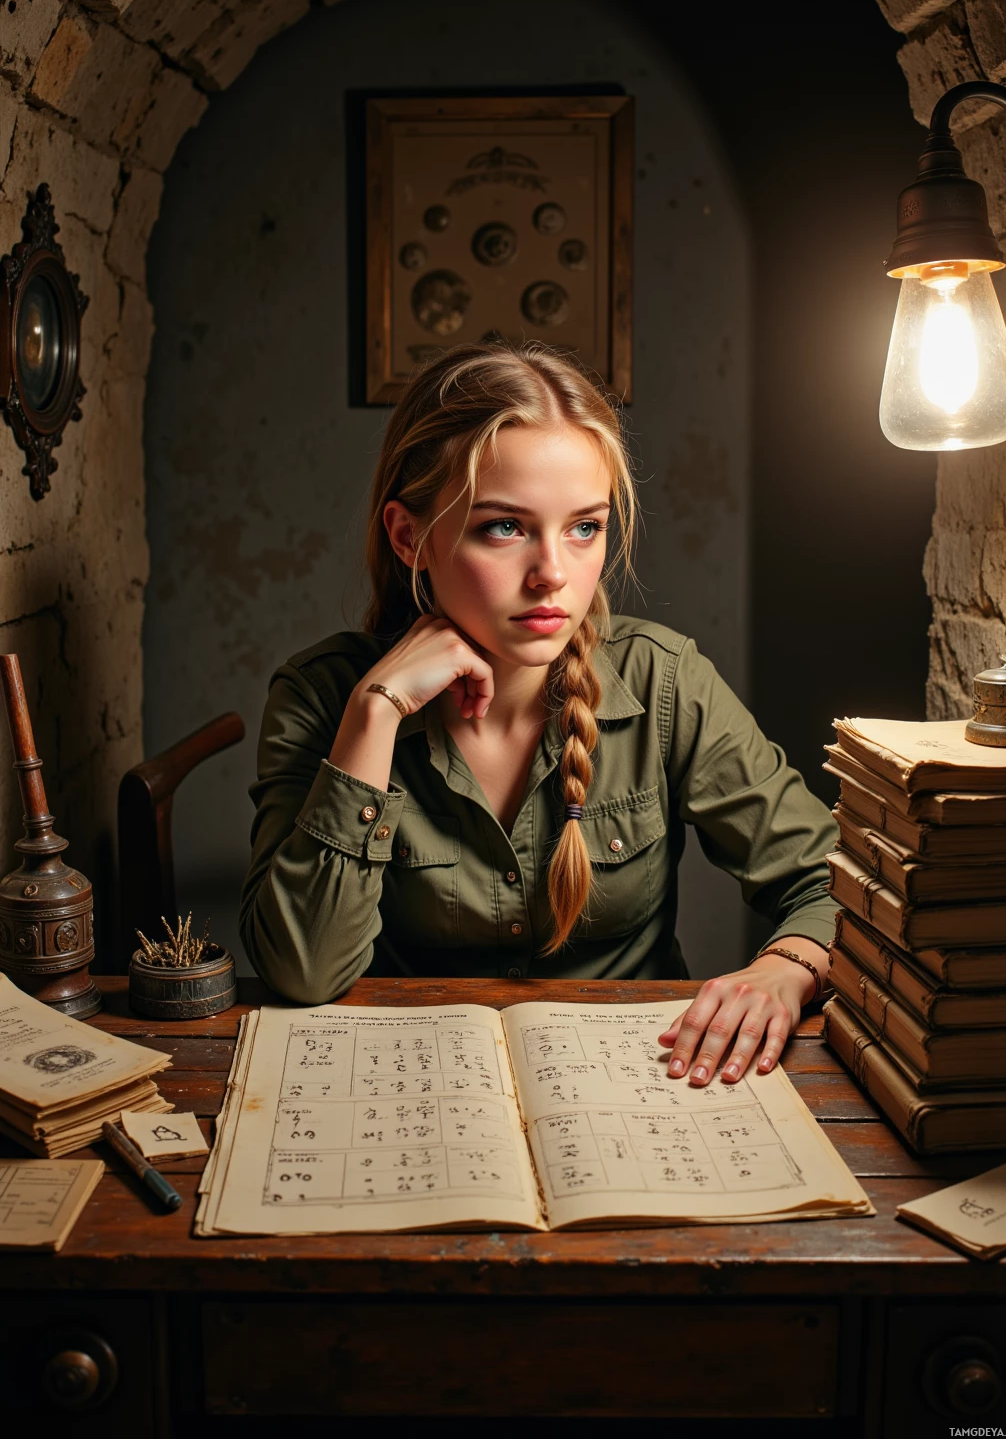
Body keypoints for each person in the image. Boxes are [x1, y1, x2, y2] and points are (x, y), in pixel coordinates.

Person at [240, 342, 838, 1086]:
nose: (553, 572)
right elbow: (302, 971)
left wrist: (788, 968)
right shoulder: (323, 697)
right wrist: (378, 711)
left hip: (651, 1084)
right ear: (409, 537)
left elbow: (831, 882)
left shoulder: (661, 681)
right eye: (504, 527)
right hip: (408, 1091)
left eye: (584, 527)